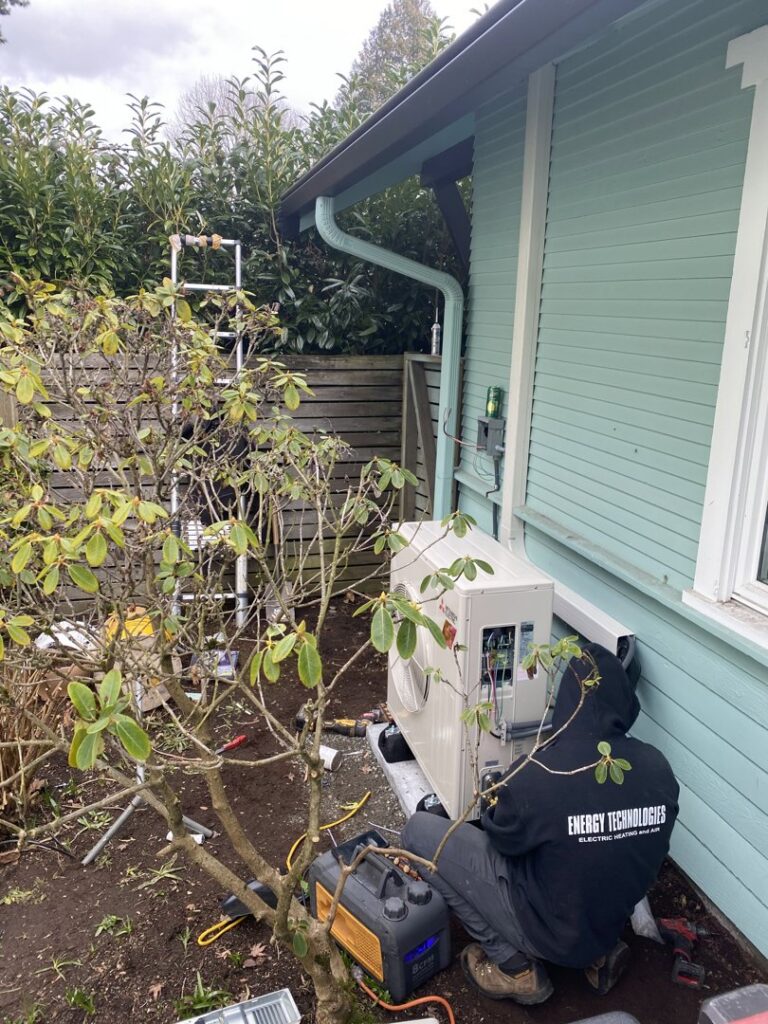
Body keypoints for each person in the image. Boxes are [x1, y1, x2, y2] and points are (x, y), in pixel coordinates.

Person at [401, 642, 679, 1005]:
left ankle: (514, 965)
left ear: (566, 702)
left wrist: (498, 792)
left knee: (419, 833)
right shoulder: (658, 770)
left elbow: (500, 837)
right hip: (603, 924)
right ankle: (598, 956)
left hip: (543, 928)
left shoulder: (539, 775)